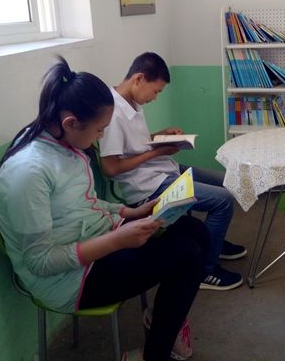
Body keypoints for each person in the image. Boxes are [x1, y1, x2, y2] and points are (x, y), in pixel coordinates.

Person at [0, 56, 209, 361]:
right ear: (70, 122)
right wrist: (118, 239)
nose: (102, 137)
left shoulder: (65, 145)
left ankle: (165, 319)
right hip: (69, 280)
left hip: (96, 237)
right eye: (99, 130)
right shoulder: (28, 173)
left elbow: (85, 202)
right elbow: (40, 262)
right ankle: (156, 351)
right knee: (187, 254)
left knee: (195, 230)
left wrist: (129, 213)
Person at [100, 52, 247, 291]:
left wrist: (160, 135)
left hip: (163, 170)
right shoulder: (113, 114)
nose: (155, 97)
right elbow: (111, 167)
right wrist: (157, 152)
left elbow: (133, 145)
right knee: (223, 201)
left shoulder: (132, 103)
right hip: (148, 186)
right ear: (139, 79)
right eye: (156, 91)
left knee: (226, 182)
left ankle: (214, 242)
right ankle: (205, 270)